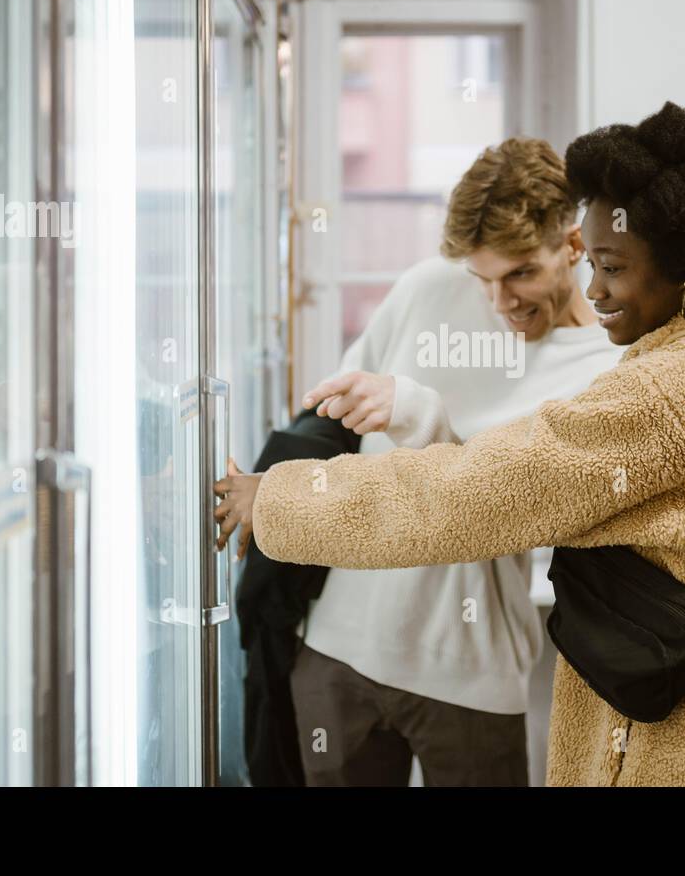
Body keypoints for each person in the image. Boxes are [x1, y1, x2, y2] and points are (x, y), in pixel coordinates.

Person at [217, 102, 685, 786]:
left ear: (684, 265)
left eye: (613, 267)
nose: (596, 290)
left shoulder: (662, 391)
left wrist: (280, 500)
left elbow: (476, 493)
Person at [257, 137, 623, 786]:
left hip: (470, 676)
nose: (499, 303)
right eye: (483, 280)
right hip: (338, 648)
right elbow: (338, 425)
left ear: (572, 245)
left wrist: (416, 411)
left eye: (520, 274)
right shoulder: (429, 287)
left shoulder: (604, 369)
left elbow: (502, 500)